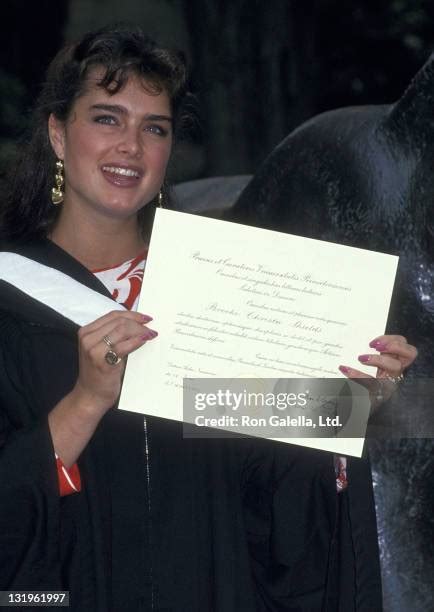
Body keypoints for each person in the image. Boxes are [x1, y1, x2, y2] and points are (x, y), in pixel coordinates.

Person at [0, 25, 417, 611]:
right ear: (58, 135)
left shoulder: (218, 295)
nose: (131, 146)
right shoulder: (10, 296)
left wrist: (345, 401)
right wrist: (85, 402)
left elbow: (270, 490)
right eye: (106, 118)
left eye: (155, 128)